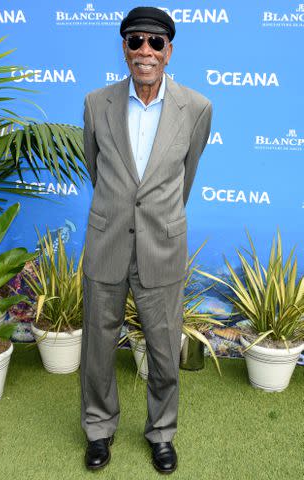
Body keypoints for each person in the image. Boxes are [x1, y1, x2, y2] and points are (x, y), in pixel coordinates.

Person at [80, 6, 212, 474]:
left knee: (162, 349)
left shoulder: (196, 108)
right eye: (135, 41)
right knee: (97, 347)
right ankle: (98, 430)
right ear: (124, 49)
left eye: (155, 43)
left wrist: (159, 215)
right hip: (107, 242)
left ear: (169, 51)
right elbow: (97, 171)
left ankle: (161, 433)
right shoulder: (98, 103)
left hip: (162, 246)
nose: (145, 51)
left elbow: (185, 176)